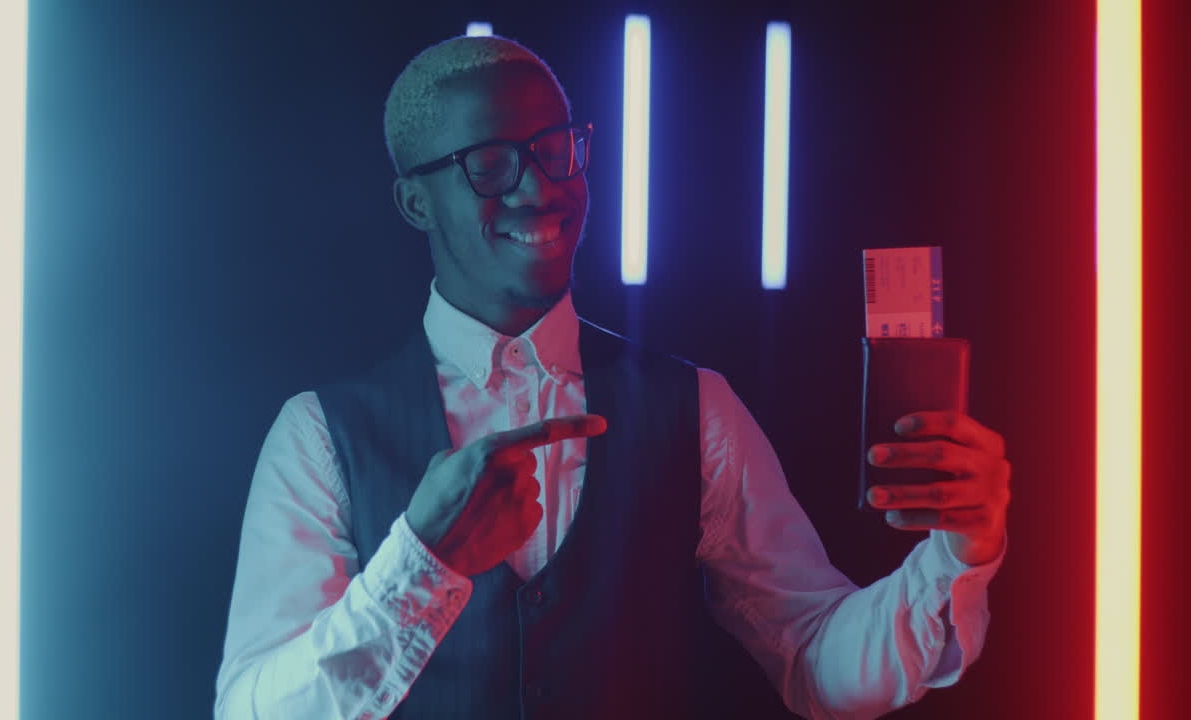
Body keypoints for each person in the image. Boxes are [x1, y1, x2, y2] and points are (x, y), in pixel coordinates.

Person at [214, 35, 1010, 720]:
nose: (540, 186)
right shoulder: (319, 435)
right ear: (415, 202)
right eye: (490, 162)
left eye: (555, 149)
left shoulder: (694, 408)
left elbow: (820, 663)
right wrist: (425, 561)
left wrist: (960, 550)